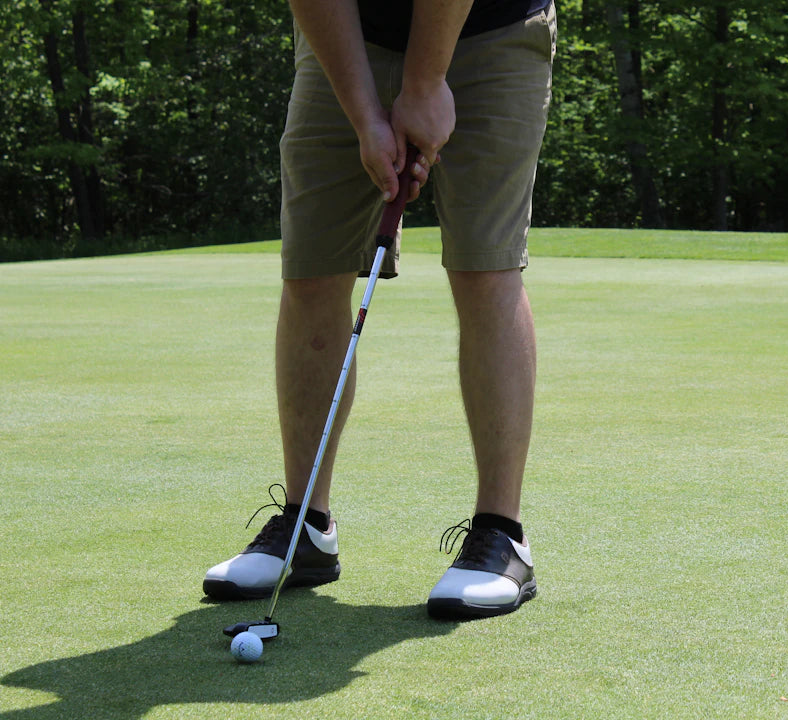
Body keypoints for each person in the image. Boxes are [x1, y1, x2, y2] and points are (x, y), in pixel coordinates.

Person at [203, 0, 556, 619]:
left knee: (485, 267)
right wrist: (367, 117)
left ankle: (503, 535)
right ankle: (306, 526)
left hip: (494, 26)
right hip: (350, 38)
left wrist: (422, 85)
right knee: (312, 269)